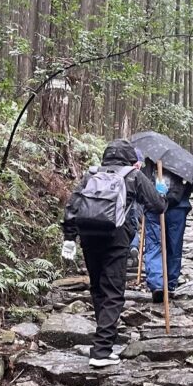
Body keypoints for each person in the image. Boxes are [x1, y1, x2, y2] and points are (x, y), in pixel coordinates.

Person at [62, 140, 166, 367]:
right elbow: (158, 206)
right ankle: (101, 350)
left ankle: (104, 343)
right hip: (116, 237)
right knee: (114, 291)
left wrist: (69, 237)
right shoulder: (133, 176)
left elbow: (72, 206)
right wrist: (159, 192)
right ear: (129, 158)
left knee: (98, 287)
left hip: (88, 235)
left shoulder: (91, 175)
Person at [144, 165, 193, 303]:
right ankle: (170, 284)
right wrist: (185, 190)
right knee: (174, 246)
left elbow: (142, 184)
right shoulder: (180, 165)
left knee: (154, 245)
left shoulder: (150, 163)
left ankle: (157, 284)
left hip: (154, 207)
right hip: (177, 208)